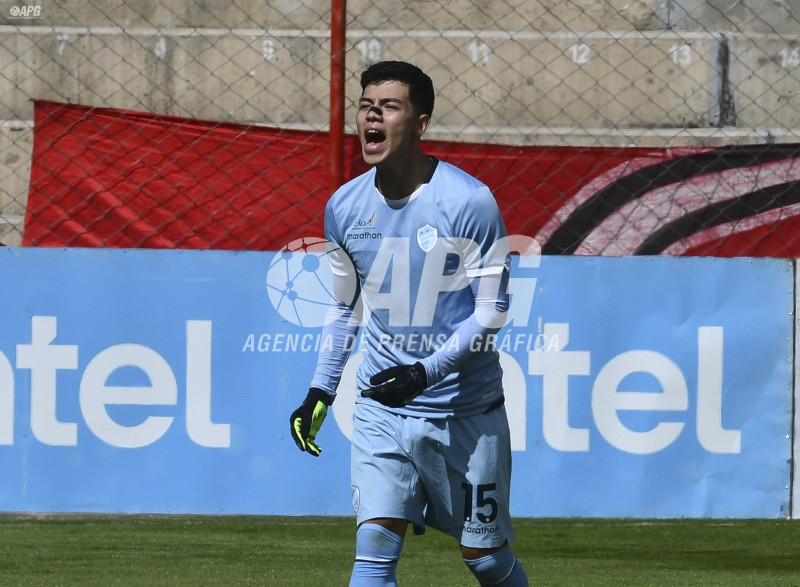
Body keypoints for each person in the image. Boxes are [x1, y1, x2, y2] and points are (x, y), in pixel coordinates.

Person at [290, 60, 528, 587]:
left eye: (390, 106)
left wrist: (424, 373)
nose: (372, 114)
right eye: (366, 104)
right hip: (381, 407)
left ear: (420, 123)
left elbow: (492, 311)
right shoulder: (344, 206)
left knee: (483, 559)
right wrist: (320, 391)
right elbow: (344, 307)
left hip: (464, 409)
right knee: (373, 548)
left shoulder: (468, 201)